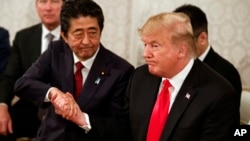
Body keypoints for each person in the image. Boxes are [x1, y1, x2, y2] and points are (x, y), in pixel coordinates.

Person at [14, 0, 134, 141]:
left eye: (92, 32)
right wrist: (53, 93)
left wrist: (82, 119)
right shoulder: (56, 51)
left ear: (101, 30)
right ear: (64, 36)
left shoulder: (120, 70)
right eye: (78, 34)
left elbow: (119, 128)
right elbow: (22, 84)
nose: (86, 41)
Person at [125, 12, 239, 141]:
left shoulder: (219, 94)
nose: (146, 54)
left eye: (155, 46)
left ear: (181, 50)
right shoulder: (140, 77)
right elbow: (124, 130)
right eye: (145, 45)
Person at [0, 0, 64, 140]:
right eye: (42, 1)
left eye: (54, 1)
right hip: (31, 104)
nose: (48, 8)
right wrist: (2, 106)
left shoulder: (74, 35)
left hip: (63, 106)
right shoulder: (23, 37)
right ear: (36, 6)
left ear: (64, 5)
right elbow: (10, 77)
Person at [174, 4, 242, 108]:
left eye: (182, 40)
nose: (175, 46)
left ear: (202, 38)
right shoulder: (174, 66)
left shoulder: (226, 73)